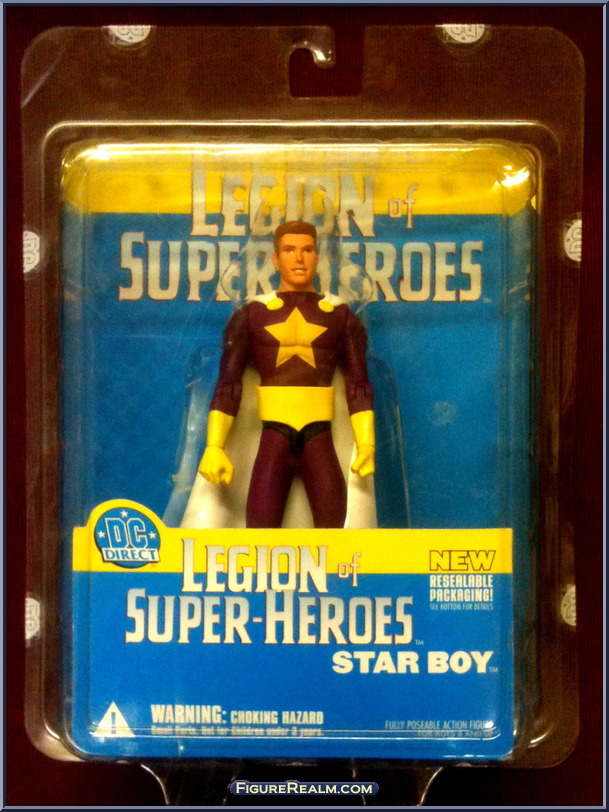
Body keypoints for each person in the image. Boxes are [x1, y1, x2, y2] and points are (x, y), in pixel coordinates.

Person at [198, 220, 375, 528]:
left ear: (318, 256)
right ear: (275, 259)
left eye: (307, 250)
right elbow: (228, 385)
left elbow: (358, 385)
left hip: (319, 433)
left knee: (334, 530)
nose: (299, 258)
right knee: (260, 530)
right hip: (274, 433)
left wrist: (366, 444)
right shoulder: (252, 314)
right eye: (290, 250)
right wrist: (214, 446)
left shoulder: (340, 315)